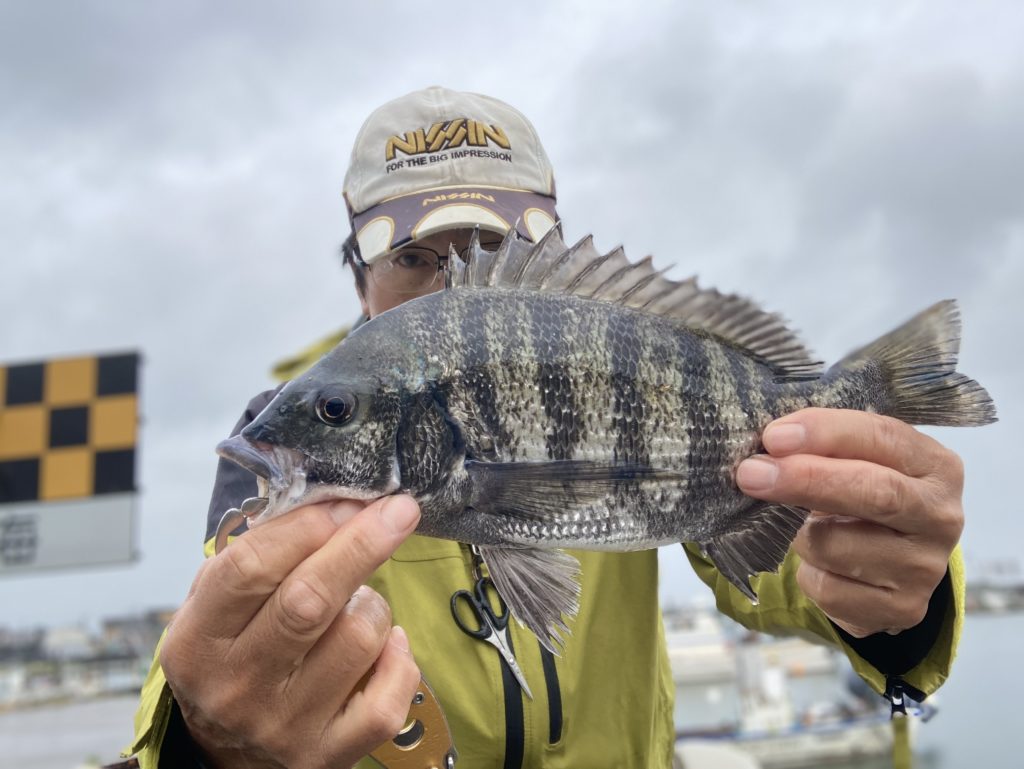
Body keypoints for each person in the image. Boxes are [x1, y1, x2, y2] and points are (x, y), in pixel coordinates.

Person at [129, 86, 966, 769]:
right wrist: (206, 743)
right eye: (416, 258)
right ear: (361, 283)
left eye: (488, 249)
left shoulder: (624, 359)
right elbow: (221, 650)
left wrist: (895, 588)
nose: (455, 285)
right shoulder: (290, 444)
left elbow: (800, 564)